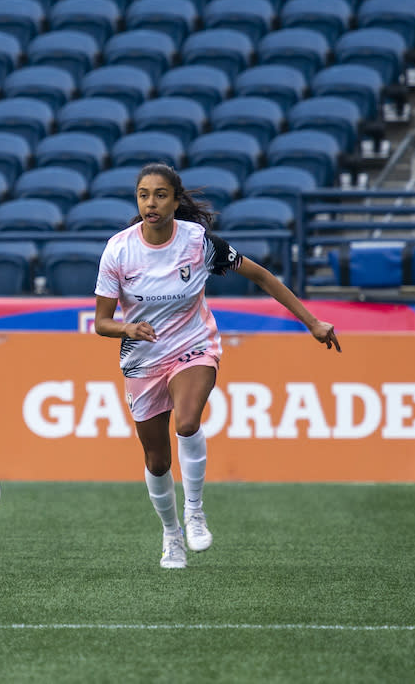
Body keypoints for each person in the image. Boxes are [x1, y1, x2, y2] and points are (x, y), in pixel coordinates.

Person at [93, 163, 341, 569]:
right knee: (157, 460)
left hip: (194, 347)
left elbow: (261, 276)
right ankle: (171, 534)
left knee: (187, 423)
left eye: (159, 194)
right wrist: (127, 328)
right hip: (142, 360)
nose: (150, 203)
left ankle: (195, 511)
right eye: (143, 195)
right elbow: (102, 323)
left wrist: (312, 321)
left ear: (175, 200)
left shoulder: (198, 242)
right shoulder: (119, 250)